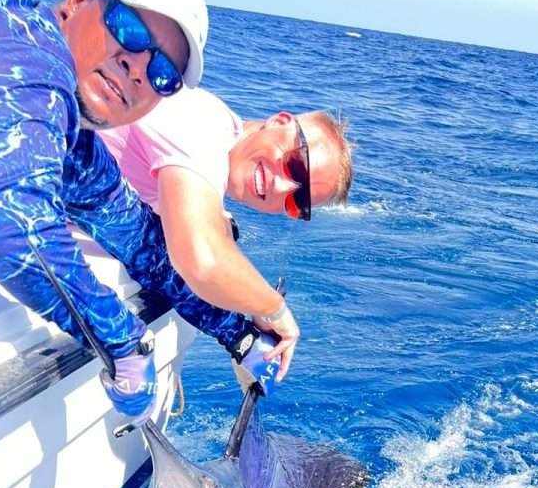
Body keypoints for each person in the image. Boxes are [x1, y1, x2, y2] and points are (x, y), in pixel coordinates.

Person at [0, 0, 264, 419]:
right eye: (130, 30)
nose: (137, 69)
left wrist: (240, 334)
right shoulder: (17, 45)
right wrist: (122, 342)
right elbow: (12, 232)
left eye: (162, 74)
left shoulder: (71, 142)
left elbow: (143, 246)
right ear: (76, 0)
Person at [101, 89, 354, 379]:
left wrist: (250, 304)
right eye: (294, 166)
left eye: (296, 201)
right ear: (279, 122)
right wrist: (274, 309)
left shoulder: (211, 157)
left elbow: (211, 239)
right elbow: (203, 260)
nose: (281, 187)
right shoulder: (206, 127)